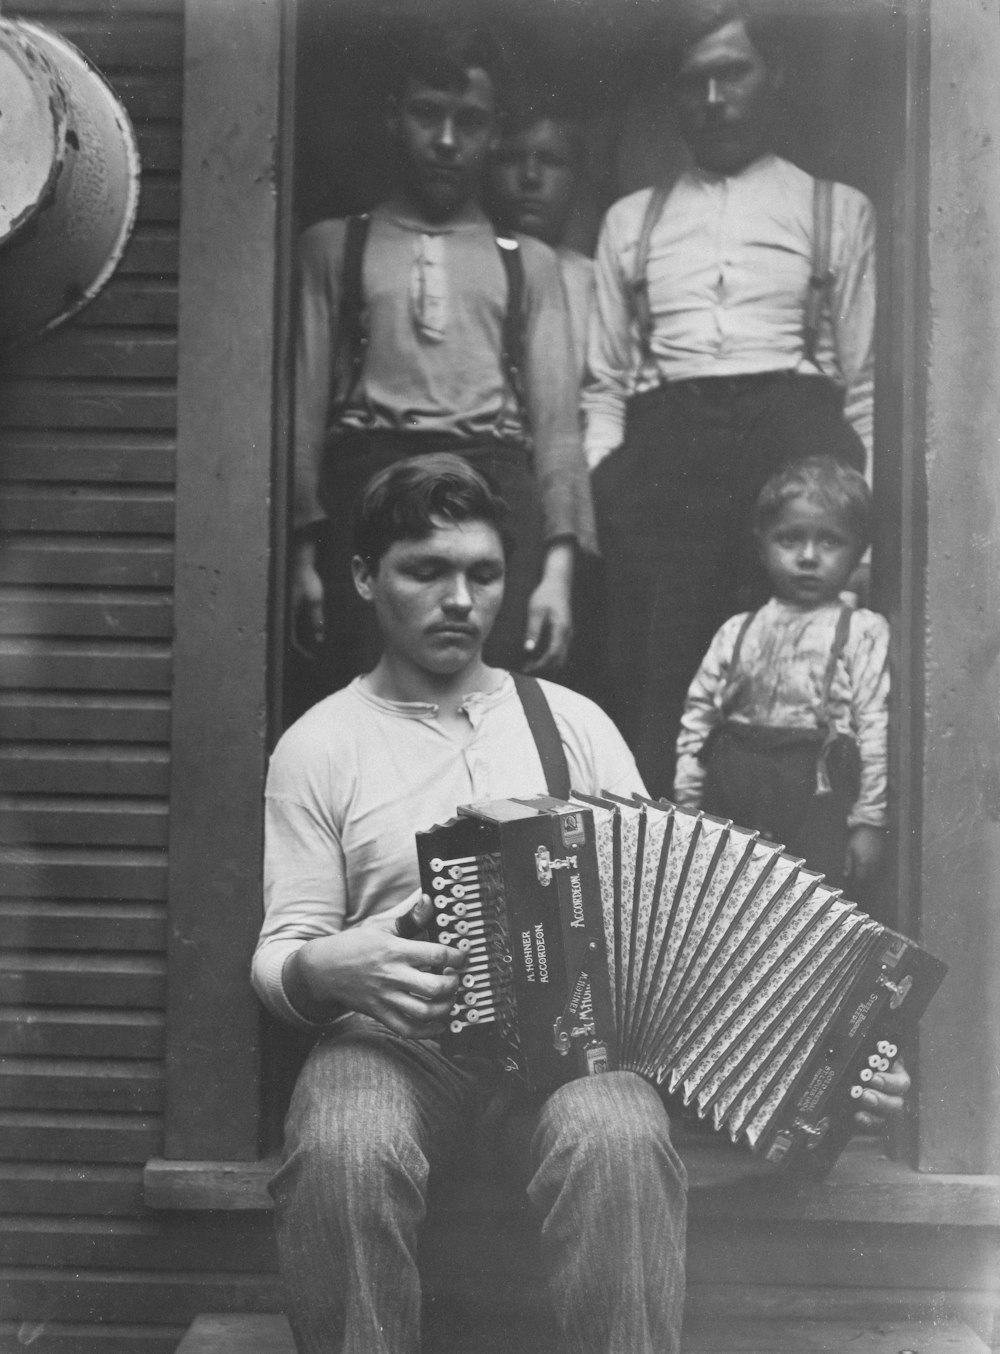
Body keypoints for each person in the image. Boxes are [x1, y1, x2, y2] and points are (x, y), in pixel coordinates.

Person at [252, 455, 908, 1354]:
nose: (460, 599)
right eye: (425, 571)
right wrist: (329, 963)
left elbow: (682, 916)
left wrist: (836, 1066)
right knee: (342, 1141)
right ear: (366, 576)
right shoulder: (319, 745)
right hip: (399, 1046)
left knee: (619, 1130)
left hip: (570, 1051)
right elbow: (280, 952)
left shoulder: (569, 721)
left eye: (483, 575)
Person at [584, 0, 876, 796]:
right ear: (671, 96)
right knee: (666, 681)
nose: (713, 99)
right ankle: (663, 891)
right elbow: (606, 386)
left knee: (791, 681)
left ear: (772, 77)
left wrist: (869, 525)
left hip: (793, 447)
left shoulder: (835, 209)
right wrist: (614, 488)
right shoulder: (629, 222)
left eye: (732, 74)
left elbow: (868, 386)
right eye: (693, 82)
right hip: (666, 467)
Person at [291, 20, 594, 693]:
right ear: (394, 118)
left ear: (493, 133)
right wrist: (303, 561)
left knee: (487, 714)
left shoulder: (529, 265)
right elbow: (303, 421)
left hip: (493, 504)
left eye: (472, 121)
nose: (449, 141)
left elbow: (559, 433)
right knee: (369, 709)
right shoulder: (334, 247)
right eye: (430, 115)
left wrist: (558, 575)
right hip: (369, 496)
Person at [674, 457, 887, 894]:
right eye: (790, 539)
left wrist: (868, 823)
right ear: (762, 546)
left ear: (858, 549)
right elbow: (698, 724)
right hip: (734, 798)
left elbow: (874, 730)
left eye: (830, 541)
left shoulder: (861, 630)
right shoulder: (738, 630)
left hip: (815, 804)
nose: (808, 557)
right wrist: (686, 808)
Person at [489, 103, 593, 374]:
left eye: (550, 161)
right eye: (512, 159)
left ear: (576, 177)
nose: (530, 176)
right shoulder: (465, 265)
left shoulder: (595, 284)